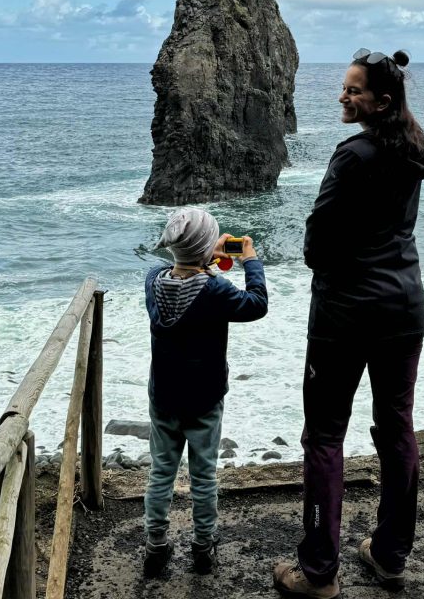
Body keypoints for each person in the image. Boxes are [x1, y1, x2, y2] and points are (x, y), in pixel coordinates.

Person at [273, 48, 424, 598]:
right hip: (403, 308)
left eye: (353, 90)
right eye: (343, 87)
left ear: (381, 100)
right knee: (396, 428)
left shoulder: (352, 156)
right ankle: (389, 555)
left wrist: (336, 264)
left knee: (324, 436)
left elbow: (317, 242)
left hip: (344, 316)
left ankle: (319, 571)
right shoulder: (415, 150)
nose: (342, 96)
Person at [143, 207, 267, 578]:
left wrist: (204, 263)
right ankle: (202, 546)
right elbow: (256, 304)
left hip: (164, 395)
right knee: (203, 475)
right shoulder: (216, 290)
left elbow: (184, 284)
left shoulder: (153, 280)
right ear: (206, 249)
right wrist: (251, 262)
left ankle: (156, 546)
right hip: (204, 398)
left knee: (161, 471)